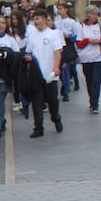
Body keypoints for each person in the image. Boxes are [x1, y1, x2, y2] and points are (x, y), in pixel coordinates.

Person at [21, 8, 63, 138]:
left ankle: (56, 118)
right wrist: (27, 57)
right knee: (37, 102)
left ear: (45, 19)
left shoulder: (53, 34)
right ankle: (38, 128)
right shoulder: (32, 36)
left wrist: (56, 68)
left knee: (52, 101)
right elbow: (28, 51)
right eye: (34, 20)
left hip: (50, 75)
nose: (36, 22)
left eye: (37, 19)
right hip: (36, 76)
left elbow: (57, 52)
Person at [75, 5, 101, 114]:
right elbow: (79, 43)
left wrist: (99, 42)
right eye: (93, 14)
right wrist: (88, 40)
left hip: (99, 57)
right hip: (86, 58)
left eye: (97, 14)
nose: (95, 16)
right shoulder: (81, 26)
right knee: (89, 80)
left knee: (96, 81)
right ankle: (92, 100)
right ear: (88, 14)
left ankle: (95, 104)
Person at [56, 3, 82, 101]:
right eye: (58, 9)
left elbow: (77, 36)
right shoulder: (57, 21)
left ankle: (66, 91)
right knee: (61, 70)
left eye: (61, 8)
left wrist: (68, 37)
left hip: (68, 46)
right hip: (58, 46)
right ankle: (65, 87)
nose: (59, 11)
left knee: (66, 69)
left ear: (66, 9)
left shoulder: (72, 22)